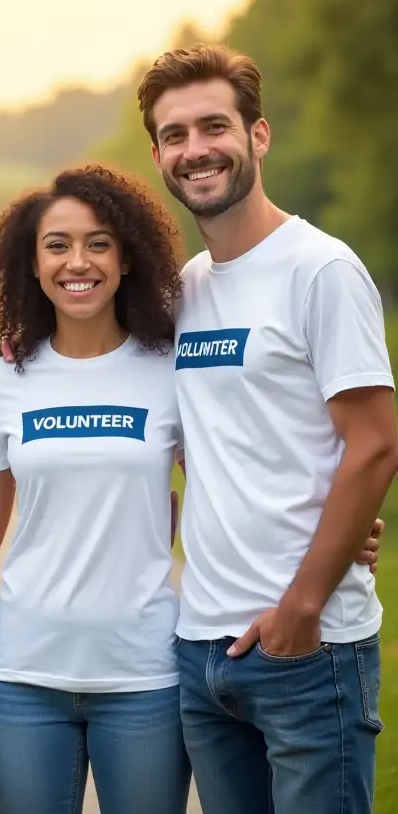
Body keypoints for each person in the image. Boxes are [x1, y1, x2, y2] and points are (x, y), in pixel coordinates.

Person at [139, 43, 398, 814]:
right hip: (202, 650)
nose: (196, 150)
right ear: (157, 155)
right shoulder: (186, 289)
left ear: (258, 135)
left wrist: (304, 605)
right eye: (175, 135)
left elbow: (376, 441)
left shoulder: (320, 269)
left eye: (213, 126)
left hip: (308, 650)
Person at [0, 165, 192, 814]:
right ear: (32, 264)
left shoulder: (171, 370)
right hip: (24, 674)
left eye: (98, 243)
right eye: (57, 245)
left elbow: (230, 484)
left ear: (128, 258)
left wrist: (340, 535)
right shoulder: (2, 379)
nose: (78, 261)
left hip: (144, 672)